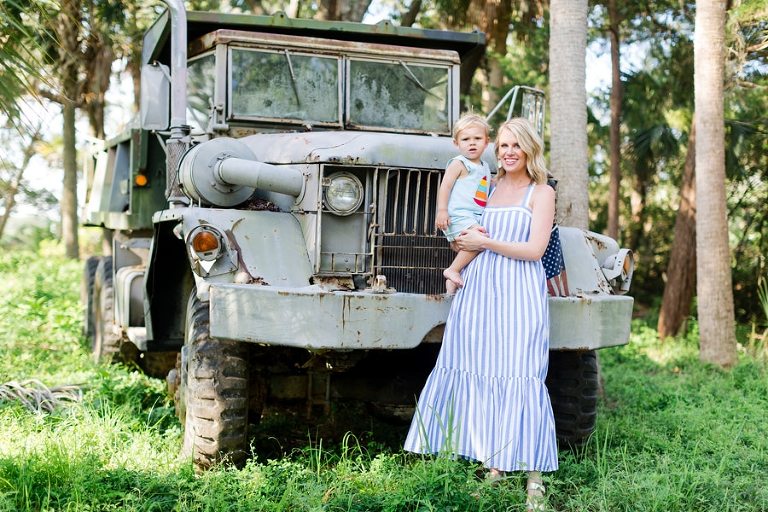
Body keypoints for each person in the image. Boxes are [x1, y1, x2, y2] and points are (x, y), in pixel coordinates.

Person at [404, 118, 558, 510]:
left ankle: (534, 477)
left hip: (519, 289)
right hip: (480, 287)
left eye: (515, 146)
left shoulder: (542, 192)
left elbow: (535, 251)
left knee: (521, 371)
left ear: (529, 150)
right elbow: (469, 231)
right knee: (481, 364)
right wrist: (458, 256)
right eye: (502, 146)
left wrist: (485, 240)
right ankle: (494, 465)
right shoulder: (486, 184)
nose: (507, 153)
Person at [434, 113, 491, 294]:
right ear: (456, 143)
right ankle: (453, 269)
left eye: (477, 138)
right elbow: (445, 187)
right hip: (459, 215)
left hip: (474, 216)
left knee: (476, 246)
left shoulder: (485, 166)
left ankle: (453, 283)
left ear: (487, 141)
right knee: (481, 240)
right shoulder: (459, 164)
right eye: (465, 139)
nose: (472, 143)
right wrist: (442, 211)